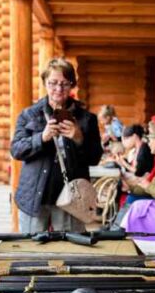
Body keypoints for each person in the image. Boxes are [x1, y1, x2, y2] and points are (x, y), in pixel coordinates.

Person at [10, 58, 102, 232]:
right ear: (45, 82)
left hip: (72, 196)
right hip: (34, 195)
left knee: (69, 251)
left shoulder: (86, 119)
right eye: (53, 83)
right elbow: (16, 150)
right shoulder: (29, 115)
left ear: (73, 85)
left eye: (65, 84)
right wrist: (42, 138)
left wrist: (79, 138)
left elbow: (95, 157)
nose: (58, 89)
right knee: (33, 251)